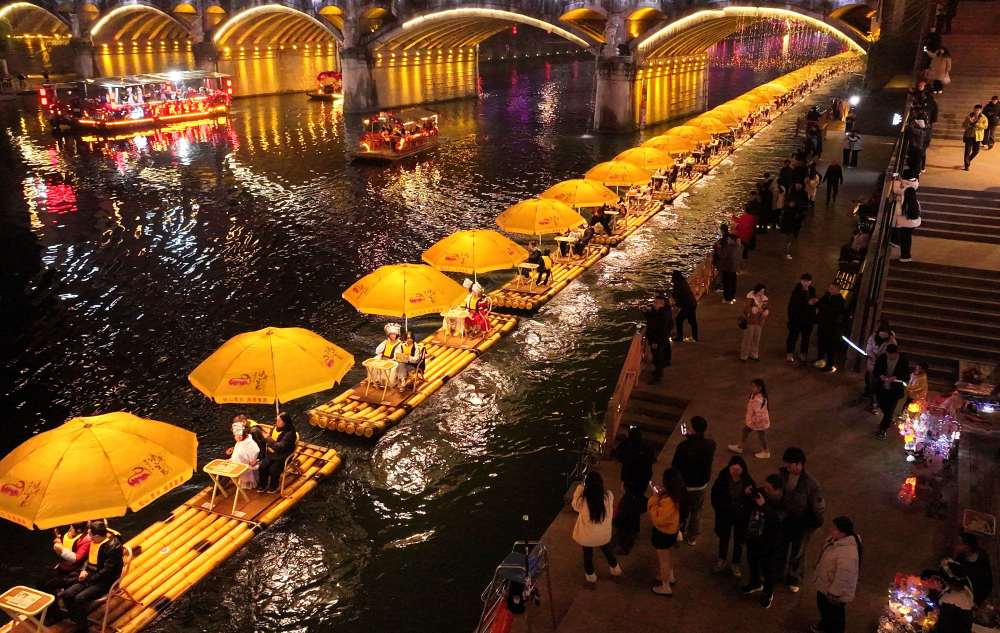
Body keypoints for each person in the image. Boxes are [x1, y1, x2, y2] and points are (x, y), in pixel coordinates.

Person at [60, 521, 124, 632]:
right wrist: (83, 570)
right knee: (66, 594)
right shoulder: (94, 541)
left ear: (97, 536)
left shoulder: (113, 547)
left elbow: (107, 571)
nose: (88, 537)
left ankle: (83, 627)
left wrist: (89, 579)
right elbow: (88, 559)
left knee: (79, 598)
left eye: (90, 535)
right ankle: (77, 618)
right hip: (90, 575)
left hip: (105, 580)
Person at [780, 447, 825, 592]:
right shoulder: (783, 475)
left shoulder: (811, 484)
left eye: (790, 464)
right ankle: (778, 572)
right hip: (786, 517)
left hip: (802, 522)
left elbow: (818, 507)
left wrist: (813, 524)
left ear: (800, 464)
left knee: (798, 551)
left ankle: (794, 578)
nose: (787, 466)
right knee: (781, 546)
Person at [671, 416, 716, 546]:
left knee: (680, 510)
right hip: (700, 485)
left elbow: (675, 466)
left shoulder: (683, 447)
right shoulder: (710, 445)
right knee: (696, 511)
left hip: (685, 485)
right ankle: (692, 537)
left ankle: (678, 533)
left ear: (692, 429)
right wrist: (690, 437)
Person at [812, 516, 862, 633]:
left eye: (834, 528)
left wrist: (834, 593)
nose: (830, 529)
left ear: (842, 533)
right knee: (825, 610)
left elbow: (844, 578)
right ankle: (825, 624)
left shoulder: (848, 554)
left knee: (835, 615)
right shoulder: (834, 541)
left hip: (833, 593)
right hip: (826, 585)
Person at [571, 472, 622, 583]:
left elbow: (574, 505)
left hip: (587, 538)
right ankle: (615, 569)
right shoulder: (609, 496)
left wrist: (580, 487)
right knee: (607, 551)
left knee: (587, 555)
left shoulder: (582, 501)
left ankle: (591, 576)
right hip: (603, 536)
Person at [742, 475, 785, 609]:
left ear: (777, 490)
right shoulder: (763, 492)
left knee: (768, 568)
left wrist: (764, 505)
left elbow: (777, 520)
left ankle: (768, 592)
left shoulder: (784, 501)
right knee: (752, 560)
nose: (764, 490)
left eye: (768, 488)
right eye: (764, 486)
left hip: (770, 542)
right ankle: (755, 583)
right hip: (754, 536)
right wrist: (748, 493)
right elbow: (752, 499)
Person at [711, 455, 755, 578]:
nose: (735, 472)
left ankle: (736, 563)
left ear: (742, 469)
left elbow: (753, 500)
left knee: (739, 540)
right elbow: (715, 494)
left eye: (737, 470)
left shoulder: (748, 482)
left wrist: (749, 495)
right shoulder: (723, 478)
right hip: (725, 514)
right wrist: (720, 508)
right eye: (732, 469)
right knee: (724, 537)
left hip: (741, 517)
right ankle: (722, 559)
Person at [612, 426, 654, 554]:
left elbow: (617, 454)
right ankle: (634, 529)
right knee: (635, 505)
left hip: (630, 482)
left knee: (628, 508)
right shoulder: (647, 448)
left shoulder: (628, 448)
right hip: (642, 483)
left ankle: (626, 542)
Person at [648, 468, 685, 595]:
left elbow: (658, 519)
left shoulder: (669, 501)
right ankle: (670, 576)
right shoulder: (678, 495)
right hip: (672, 531)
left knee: (663, 560)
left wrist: (654, 500)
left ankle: (665, 586)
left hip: (663, 533)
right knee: (668, 556)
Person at [923, 560, 974, 633]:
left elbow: (945, 626)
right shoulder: (965, 588)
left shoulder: (951, 602)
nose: (941, 581)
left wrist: (931, 629)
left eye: (942, 579)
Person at [42, 523, 91, 598]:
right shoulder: (67, 533)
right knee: (42, 581)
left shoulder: (85, 540)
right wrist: (58, 544)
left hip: (74, 571)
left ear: (79, 530)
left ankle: (55, 601)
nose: (70, 530)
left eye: (72, 529)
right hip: (63, 566)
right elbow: (62, 548)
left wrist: (61, 550)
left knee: (50, 584)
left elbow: (76, 559)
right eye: (70, 527)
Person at [728, 378, 772, 459]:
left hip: (758, 422)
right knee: (746, 431)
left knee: (760, 435)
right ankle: (740, 447)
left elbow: (759, 414)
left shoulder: (758, 400)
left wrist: (753, 421)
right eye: (751, 386)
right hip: (757, 421)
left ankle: (766, 452)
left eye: (754, 387)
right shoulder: (755, 395)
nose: (751, 388)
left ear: (759, 388)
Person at [874, 344, 910, 439]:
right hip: (881, 388)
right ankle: (888, 420)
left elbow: (906, 375)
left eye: (893, 356)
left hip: (894, 390)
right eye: (889, 356)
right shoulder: (882, 358)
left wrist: (896, 377)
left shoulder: (903, 360)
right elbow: (875, 371)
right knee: (882, 405)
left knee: (890, 410)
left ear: (897, 353)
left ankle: (883, 429)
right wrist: (881, 376)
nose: (890, 358)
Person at [257, 412, 297, 493]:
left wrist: (268, 438)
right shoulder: (275, 427)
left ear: (285, 422)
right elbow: (270, 438)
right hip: (271, 453)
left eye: (279, 421)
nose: (276, 422)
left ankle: (273, 487)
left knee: (273, 470)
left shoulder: (290, 434)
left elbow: (280, 447)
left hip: (283, 455)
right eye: (276, 420)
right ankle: (262, 485)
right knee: (262, 467)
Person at [814, 283, 846, 372]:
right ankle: (820, 362)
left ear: (837, 290)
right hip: (823, 325)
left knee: (830, 347)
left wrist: (821, 306)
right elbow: (819, 304)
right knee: (821, 344)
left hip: (832, 328)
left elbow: (832, 312)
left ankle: (829, 365)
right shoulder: (827, 296)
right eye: (829, 287)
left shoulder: (840, 301)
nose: (829, 289)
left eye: (832, 288)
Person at [786, 273, 818, 364]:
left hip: (807, 320)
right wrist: (808, 303)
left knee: (805, 338)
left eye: (808, 281)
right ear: (801, 281)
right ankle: (789, 353)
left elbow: (814, 303)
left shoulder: (812, 290)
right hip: (796, 319)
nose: (806, 283)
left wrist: (814, 303)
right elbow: (793, 305)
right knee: (793, 336)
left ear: (810, 282)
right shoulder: (796, 291)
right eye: (804, 281)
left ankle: (803, 353)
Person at [863, 321, 897, 405]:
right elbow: (869, 349)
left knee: (878, 381)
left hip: (883, 364)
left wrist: (883, 359)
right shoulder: (873, 337)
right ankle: (868, 390)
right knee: (869, 378)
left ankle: (875, 399)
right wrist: (872, 356)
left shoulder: (892, 341)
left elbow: (893, 352)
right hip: (872, 362)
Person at [954, 532, 993, 605]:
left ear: (968, 547)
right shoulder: (960, 557)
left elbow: (985, 582)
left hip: (977, 594)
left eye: (959, 543)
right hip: (964, 593)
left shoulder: (982, 558)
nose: (956, 546)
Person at [643, 295, 672, 383]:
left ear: (662, 304)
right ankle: (666, 362)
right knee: (663, 351)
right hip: (663, 338)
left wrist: (655, 341)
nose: (653, 304)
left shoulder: (663, 315)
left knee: (657, 357)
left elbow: (659, 329)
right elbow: (653, 317)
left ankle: (657, 376)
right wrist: (646, 312)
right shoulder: (664, 311)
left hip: (657, 339)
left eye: (656, 303)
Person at [225, 419, 259, 489]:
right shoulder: (240, 442)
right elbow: (238, 452)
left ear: (240, 436)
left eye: (235, 436)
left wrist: (252, 461)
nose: (234, 437)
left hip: (244, 467)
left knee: (225, 473)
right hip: (236, 464)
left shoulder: (250, 443)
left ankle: (218, 489)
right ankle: (218, 487)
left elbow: (256, 451)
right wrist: (231, 458)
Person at [740, 284, 769, 362]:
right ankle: (744, 355)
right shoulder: (750, 298)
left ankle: (754, 354)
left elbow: (765, 308)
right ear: (757, 291)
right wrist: (752, 309)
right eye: (761, 291)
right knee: (747, 339)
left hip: (759, 322)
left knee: (756, 339)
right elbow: (745, 309)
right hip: (750, 322)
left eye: (763, 291)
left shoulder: (764, 299)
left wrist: (765, 311)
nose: (762, 293)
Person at [893, 187, 921, 263]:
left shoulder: (906, 203)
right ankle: (907, 255)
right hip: (914, 223)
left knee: (904, 239)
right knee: (908, 239)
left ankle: (905, 256)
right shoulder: (916, 202)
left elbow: (899, 213)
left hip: (905, 224)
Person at [670, 270, 699, 343]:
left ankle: (680, 337)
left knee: (679, 320)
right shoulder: (683, 282)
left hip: (687, 305)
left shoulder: (678, 284)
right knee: (692, 321)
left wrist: (674, 301)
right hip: (691, 303)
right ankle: (695, 337)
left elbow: (677, 295)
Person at [781, 184, 807, 260]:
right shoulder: (790, 194)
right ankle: (787, 250)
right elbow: (785, 202)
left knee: (795, 230)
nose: (798, 186)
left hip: (798, 215)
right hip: (789, 216)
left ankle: (789, 247)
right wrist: (789, 204)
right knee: (789, 234)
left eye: (799, 185)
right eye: (797, 184)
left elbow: (805, 204)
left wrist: (800, 209)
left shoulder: (804, 193)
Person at [962, 105, 990, 171]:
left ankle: (968, 160)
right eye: (975, 110)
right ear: (973, 109)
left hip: (978, 137)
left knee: (976, 151)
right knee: (967, 151)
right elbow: (963, 125)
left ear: (980, 110)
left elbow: (985, 126)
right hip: (969, 136)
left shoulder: (983, 118)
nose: (976, 111)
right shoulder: (969, 116)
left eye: (978, 110)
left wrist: (977, 124)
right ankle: (966, 165)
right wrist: (969, 124)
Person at [719, 233, 742, 303]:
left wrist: (718, 248)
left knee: (727, 283)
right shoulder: (738, 247)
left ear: (732, 240)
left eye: (729, 239)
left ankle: (727, 298)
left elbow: (722, 255)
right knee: (733, 283)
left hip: (728, 268)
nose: (727, 240)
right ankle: (732, 296)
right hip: (734, 268)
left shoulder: (728, 247)